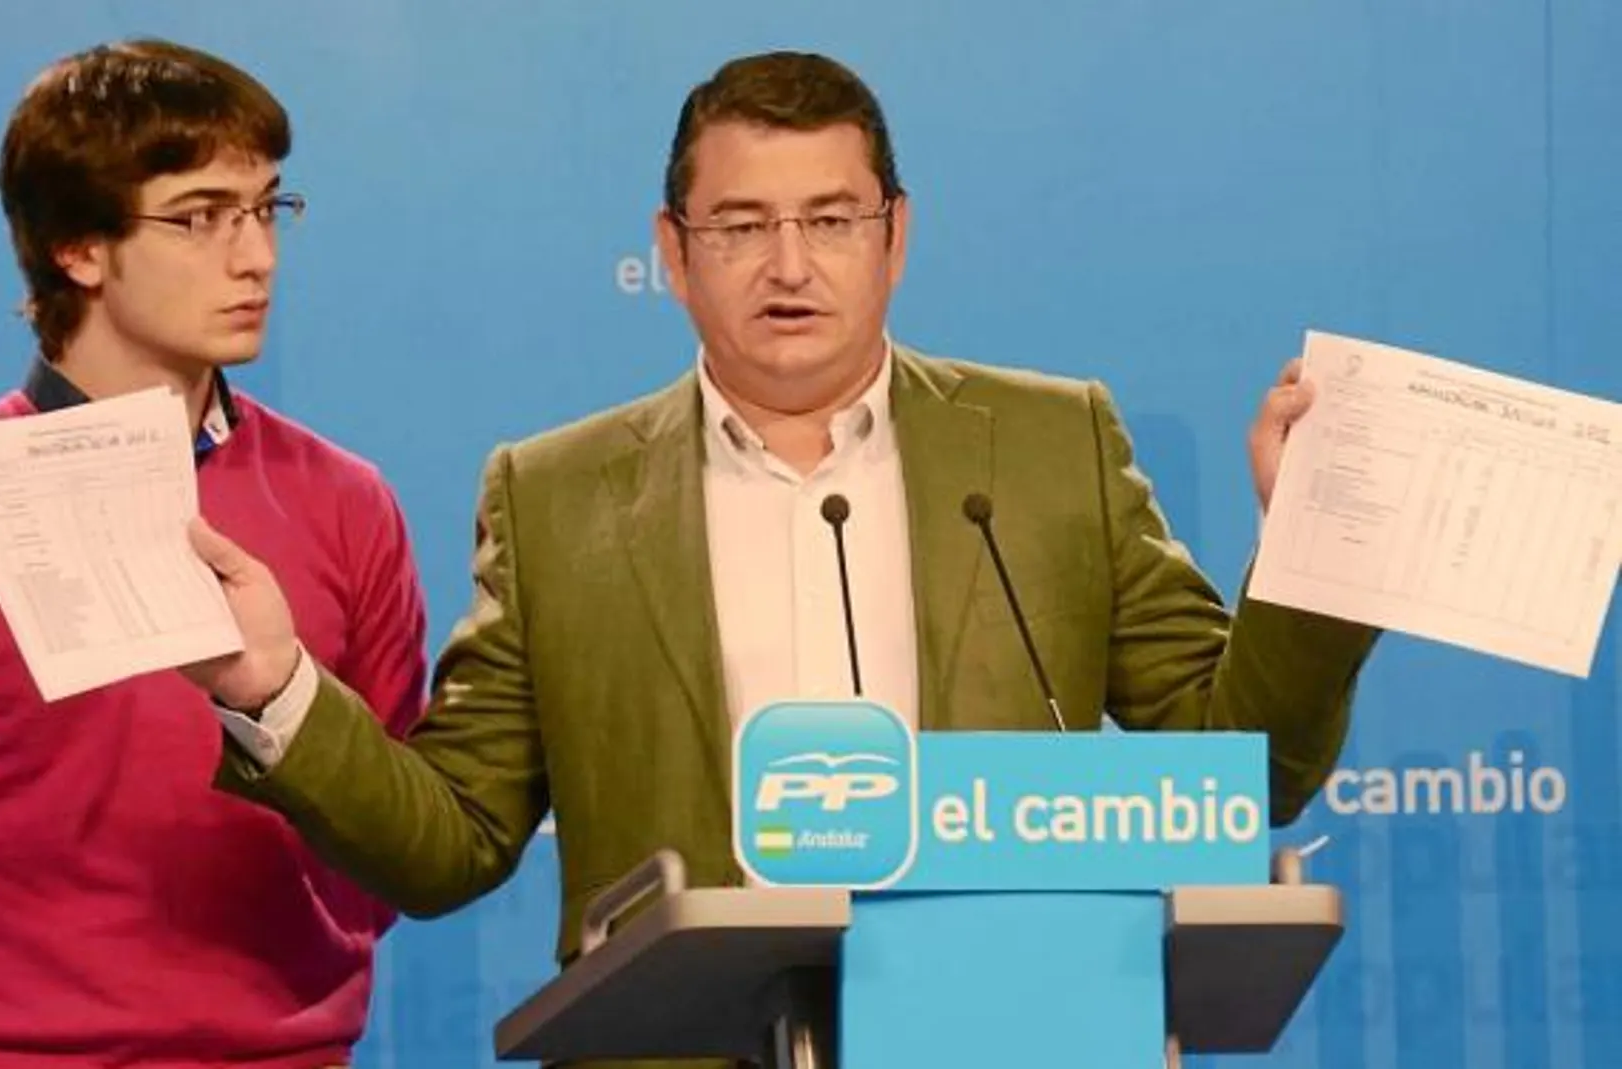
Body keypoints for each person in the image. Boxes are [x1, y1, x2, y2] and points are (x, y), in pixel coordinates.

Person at [182, 50, 1377, 1069]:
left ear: (895, 235)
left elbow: (1241, 772)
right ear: (674, 248)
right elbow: (450, 843)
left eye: (831, 219)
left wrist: (1315, 550)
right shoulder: (553, 496)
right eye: (743, 227)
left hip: (1011, 1032)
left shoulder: (1052, 446)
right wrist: (275, 691)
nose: (789, 265)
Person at [0, 39, 427, 1069]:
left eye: (266, 209)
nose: (256, 257)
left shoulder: (349, 506)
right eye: (202, 217)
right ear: (78, 246)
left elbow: (394, 829)